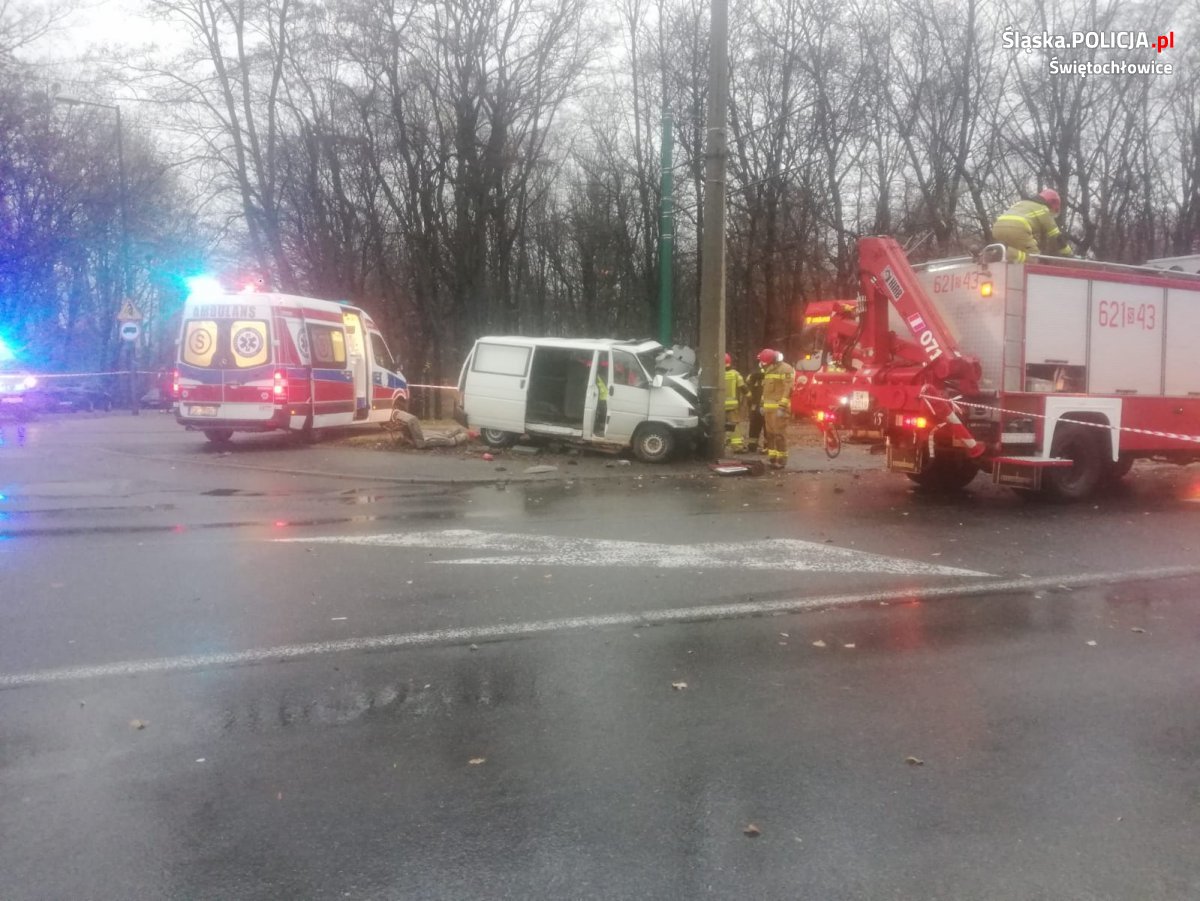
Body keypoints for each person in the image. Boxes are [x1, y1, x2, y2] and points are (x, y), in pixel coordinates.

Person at [991, 188, 1074, 263]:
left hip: (997, 229)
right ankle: (1007, 253)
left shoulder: (1021, 203)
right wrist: (1068, 253)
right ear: (1052, 204)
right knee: (1035, 258)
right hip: (1017, 229)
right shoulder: (1043, 209)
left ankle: (999, 253)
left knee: (1020, 255)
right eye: (1054, 211)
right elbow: (1056, 237)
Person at [758, 348, 796, 470]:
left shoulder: (786, 369)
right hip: (769, 410)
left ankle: (781, 460)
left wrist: (782, 406)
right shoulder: (768, 370)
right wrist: (762, 404)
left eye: (765, 362)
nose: (763, 364)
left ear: (772, 361)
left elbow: (788, 389)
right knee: (770, 435)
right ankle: (772, 458)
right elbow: (766, 390)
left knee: (780, 435)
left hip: (779, 410)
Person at [723, 352, 747, 451]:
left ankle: (721, 445)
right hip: (732, 406)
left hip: (718, 406)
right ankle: (737, 447)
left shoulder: (716, 374)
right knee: (734, 425)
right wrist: (749, 396)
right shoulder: (735, 374)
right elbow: (743, 387)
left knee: (719, 426)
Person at [744, 358, 765, 454]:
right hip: (756, 404)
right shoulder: (754, 374)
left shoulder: (773, 373)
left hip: (765, 404)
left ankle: (767, 446)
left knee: (767, 427)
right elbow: (748, 380)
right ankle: (752, 446)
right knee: (754, 426)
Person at [594, 360, 609, 438]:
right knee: (602, 414)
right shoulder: (604, 377)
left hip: (601, 398)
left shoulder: (598, 376)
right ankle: (600, 426)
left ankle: (599, 426)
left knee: (600, 413)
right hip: (604, 398)